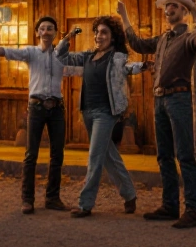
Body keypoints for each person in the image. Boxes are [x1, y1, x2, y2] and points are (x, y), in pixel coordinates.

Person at [118, 0, 196, 229]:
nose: (169, 9)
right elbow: (138, 44)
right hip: (159, 101)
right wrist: (125, 17)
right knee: (164, 156)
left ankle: (192, 210)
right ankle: (170, 206)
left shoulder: (189, 38)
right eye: (167, 6)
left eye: (174, 6)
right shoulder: (162, 39)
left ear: (183, 12)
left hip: (178, 99)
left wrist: (194, 5)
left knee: (185, 155)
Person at [0, 16, 75, 215]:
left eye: (50, 28)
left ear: (55, 33)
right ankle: (27, 200)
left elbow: (83, 68)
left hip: (57, 109)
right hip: (36, 108)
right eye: (42, 28)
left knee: (57, 155)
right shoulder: (31, 53)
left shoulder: (62, 56)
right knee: (31, 154)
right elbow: (5, 51)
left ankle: (52, 198)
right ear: (37, 33)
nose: (46, 31)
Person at [54, 15, 147, 218]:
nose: (99, 36)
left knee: (95, 157)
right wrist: (68, 37)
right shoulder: (88, 56)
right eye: (96, 32)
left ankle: (85, 203)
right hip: (88, 111)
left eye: (104, 32)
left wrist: (145, 66)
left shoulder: (117, 58)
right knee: (108, 155)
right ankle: (130, 194)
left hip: (106, 113)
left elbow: (128, 68)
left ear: (113, 37)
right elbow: (60, 57)